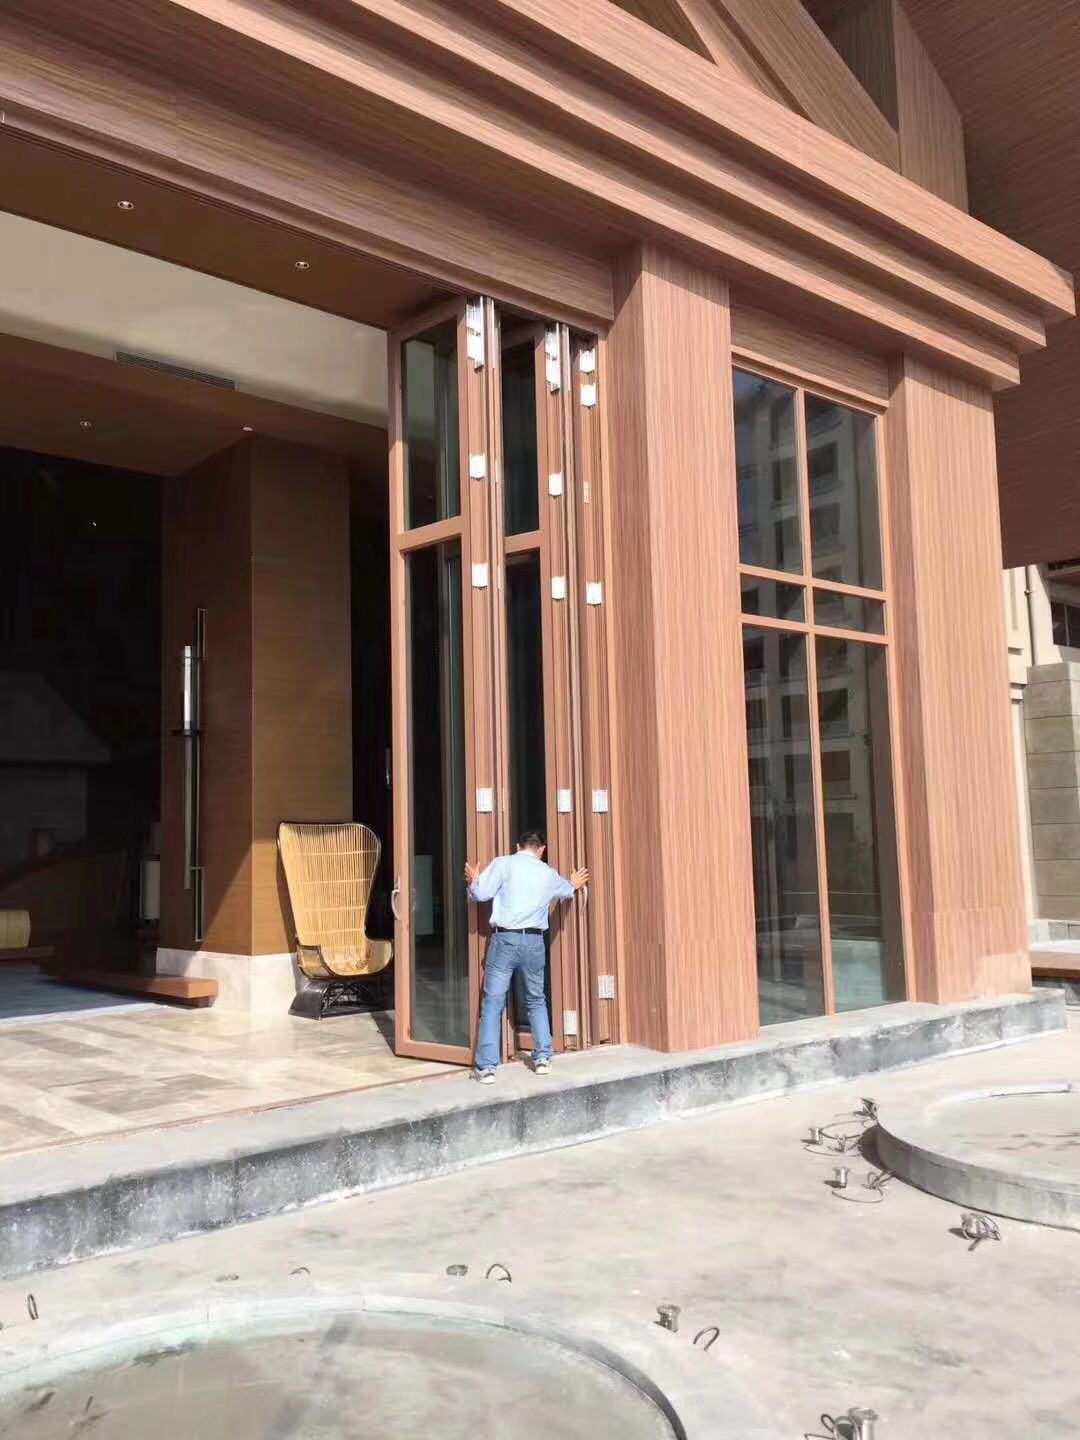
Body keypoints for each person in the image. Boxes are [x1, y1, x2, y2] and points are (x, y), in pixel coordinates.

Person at [465, 831, 588, 1084]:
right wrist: (574, 883)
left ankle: (487, 1068)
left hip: (505, 940)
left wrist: (474, 881)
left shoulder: (503, 864)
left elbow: (480, 894)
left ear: (517, 846)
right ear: (541, 849)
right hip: (533, 942)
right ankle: (542, 1058)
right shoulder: (547, 873)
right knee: (536, 999)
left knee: (493, 1002)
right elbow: (567, 890)